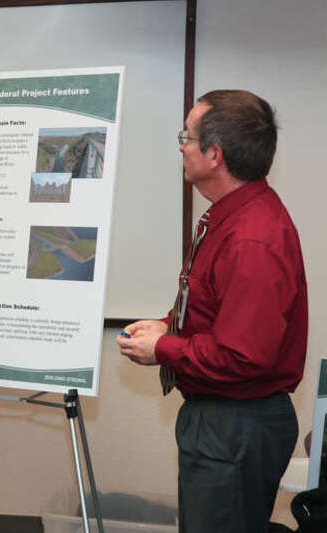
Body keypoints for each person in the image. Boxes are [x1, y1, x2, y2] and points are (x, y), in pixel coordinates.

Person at [117, 90, 307, 532]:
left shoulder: (252, 238)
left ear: (215, 155)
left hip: (235, 425)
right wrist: (168, 325)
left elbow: (242, 355)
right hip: (224, 422)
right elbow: (217, 307)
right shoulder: (232, 217)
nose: (181, 145)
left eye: (187, 136)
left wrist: (164, 348)